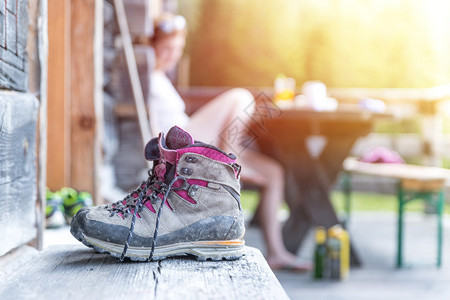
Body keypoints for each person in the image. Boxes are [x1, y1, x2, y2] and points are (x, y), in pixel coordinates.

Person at [148, 13, 310, 271]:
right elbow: (152, 130)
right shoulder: (147, 79)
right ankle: (228, 165)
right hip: (178, 147)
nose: (172, 55)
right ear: (150, 47)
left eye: (177, 49)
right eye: (166, 48)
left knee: (274, 172)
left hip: (191, 136)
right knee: (240, 96)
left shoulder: (162, 79)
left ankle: (277, 251)